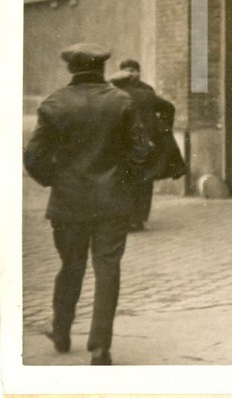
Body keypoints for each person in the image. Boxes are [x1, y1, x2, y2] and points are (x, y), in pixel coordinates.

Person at [23, 43, 150, 365]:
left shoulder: (54, 104)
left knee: (71, 265)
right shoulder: (123, 101)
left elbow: (33, 156)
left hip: (68, 202)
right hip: (113, 202)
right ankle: (100, 347)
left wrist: (55, 179)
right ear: (103, 68)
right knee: (108, 268)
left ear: (71, 69)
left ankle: (61, 329)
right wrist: (124, 181)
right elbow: (141, 150)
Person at [113, 59, 176, 231]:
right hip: (134, 143)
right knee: (137, 179)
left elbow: (167, 108)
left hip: (142, 142)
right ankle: (133, 218)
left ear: (139, 72)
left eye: (134, 70)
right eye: (127, 71)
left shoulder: (146, 91)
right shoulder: (120, 93)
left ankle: (138, 218)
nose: (131, 74)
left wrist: (161, 129)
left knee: (143, 181)